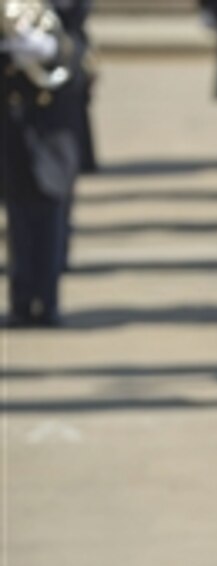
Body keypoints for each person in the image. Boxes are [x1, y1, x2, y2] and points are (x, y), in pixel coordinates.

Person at [1, 0, 91, 327]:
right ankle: (22, 299)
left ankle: (48, 298)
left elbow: (76, 30)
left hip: (55, 110)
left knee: (52, 202)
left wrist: (52, 48)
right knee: (18, 209)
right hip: (12, 105)